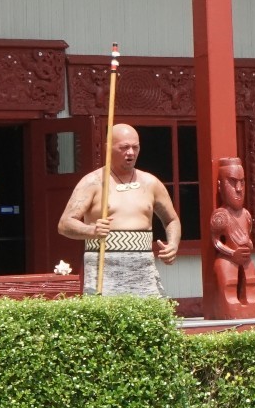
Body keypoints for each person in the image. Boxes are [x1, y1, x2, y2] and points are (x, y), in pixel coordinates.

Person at [57, 123, 181, 296]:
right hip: (104, 272)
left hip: (144, 272)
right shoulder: (92, 182)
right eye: (124, 147)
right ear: (109, 148)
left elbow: (171, 220)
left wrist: (173, 245)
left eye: (135, 147)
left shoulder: (151, 183)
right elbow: (64, 224)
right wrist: (91, 230)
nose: (130, 152)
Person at [210, 156, 255, 318]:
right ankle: (231, 310)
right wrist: (232, 254)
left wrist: (249, 245)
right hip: (228, 258)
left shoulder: (246, 214)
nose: (238, 188)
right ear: (220, 186)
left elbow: (248, 236)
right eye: (232, 182)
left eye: (242, 182)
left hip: (245, 258)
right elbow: (216, 241)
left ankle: (248, 307)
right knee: (224, 270)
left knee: (250, 281)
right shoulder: (220, 215)